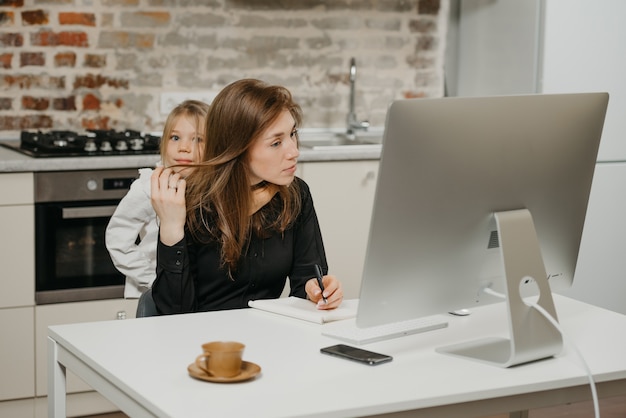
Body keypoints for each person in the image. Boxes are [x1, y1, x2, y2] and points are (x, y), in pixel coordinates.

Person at [150, 78, 344, 314]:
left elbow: (306, 282)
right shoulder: (191, 202)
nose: (294, 151)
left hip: (268, 338)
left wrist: (317, 291)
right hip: (203, 344)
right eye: (276, 143)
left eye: (292, 134)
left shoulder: (296, 195)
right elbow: (172, 314)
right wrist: (171, 228)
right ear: (237, 148)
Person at [106, 100, 210, 298]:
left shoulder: (214, 189)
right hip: (155, 294)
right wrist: (153, 279)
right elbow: (118, 239)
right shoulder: (150, 185)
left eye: (197, 139)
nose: (184, 147)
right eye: (175, 137)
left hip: (200, 295)